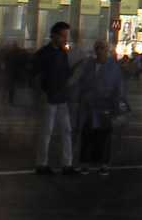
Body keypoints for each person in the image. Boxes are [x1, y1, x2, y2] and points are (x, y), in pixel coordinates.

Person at [74, 40, 128, 174]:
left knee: (104, 136)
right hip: (88, 106)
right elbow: (81, 83)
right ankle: (85, 163)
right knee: (87, 134)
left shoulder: (113, 67)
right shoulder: (89, 65)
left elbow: (118, 87)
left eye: (102, 48)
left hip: (105, 105)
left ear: (107, 50)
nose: (99, 51)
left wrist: (106, 92)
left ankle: (103, 164)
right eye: (97, 48)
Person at [32, 22, 77, 175]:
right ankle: (42, 163)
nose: (65, 39)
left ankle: (66, 163)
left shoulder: (61, 53)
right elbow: (35, 74)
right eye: (63, 36)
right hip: (50, 94)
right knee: (47, 131)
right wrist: (40, 91)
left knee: (66, 130)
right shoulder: (44, 53)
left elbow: (63, 73)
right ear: (55, 36)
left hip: (60, 94)